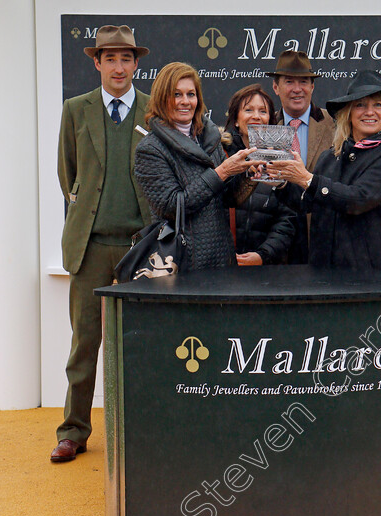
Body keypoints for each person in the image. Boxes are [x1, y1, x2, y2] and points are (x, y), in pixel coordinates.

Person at [53, 25, 153, 463]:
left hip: (142, 245)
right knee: (85, 343)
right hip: (91, 247)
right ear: (96, 63)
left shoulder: (154, 111)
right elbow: (67, 175)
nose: (118, 66)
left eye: (126, 58)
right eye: (109, 58)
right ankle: (73, 430)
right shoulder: (75, 110)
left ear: (136, 63)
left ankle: (143, 426)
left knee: (143, 342)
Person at [268, 70, 381, 274]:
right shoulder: (331, 155)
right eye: (360, 105)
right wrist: (280, 180)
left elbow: (358, 199)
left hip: (372, 276)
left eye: (378, 105)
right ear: (348, 113)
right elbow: (305, 202)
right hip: (325, 271)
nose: (370, 112)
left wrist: (307, 179)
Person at [134, 63, 262, 270]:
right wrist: (222, 172)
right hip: (181, 262)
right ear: (161, 98)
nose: (185, 102)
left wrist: (249, 174)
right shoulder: (150, 149)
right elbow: (172, 207)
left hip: (221, 258)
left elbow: (229, 197)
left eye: (191, 94)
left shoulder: (210, 138)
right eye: (176, 94)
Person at [268, 51, 335, 264]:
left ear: (313, 87)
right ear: (276, 87)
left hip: (323, 238)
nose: (298, 89)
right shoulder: (264, 127)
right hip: (277, 240)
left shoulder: (336, 124)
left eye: (304, 82)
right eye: (289, 82)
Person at [222, 84, 296, 265]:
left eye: (263, 111)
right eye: (248, 110)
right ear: (236, 119)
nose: (256, 116)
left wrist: (263, 255)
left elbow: (287, 219)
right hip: (221, 266)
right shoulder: (219, 156)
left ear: (270, 119)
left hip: (266, 270)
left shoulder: (282, 159)